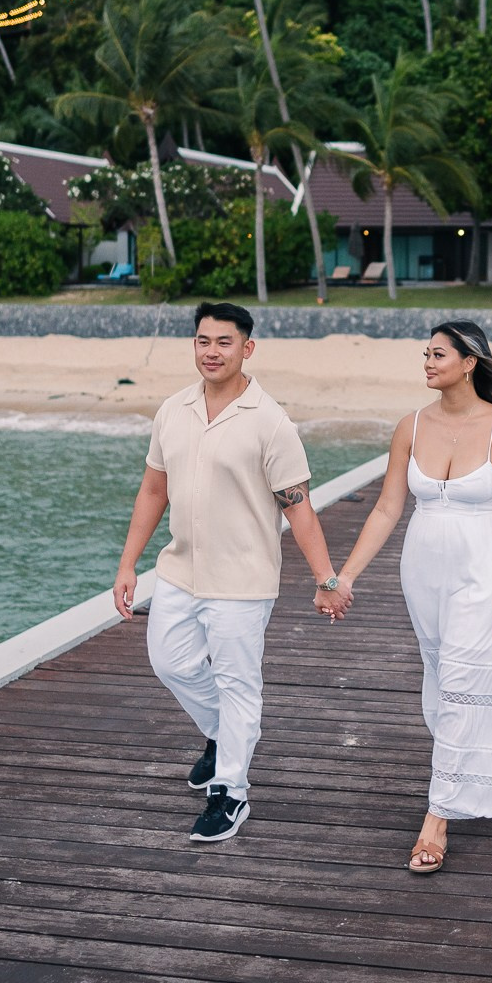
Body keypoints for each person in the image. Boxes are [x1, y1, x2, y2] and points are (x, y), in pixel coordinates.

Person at [112, 301, 349, 843]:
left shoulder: (271, 422)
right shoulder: (173, 409)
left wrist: (326, 579)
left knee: (238, 683)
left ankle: (232, 793)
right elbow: (154, 490)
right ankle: (223, 736)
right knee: (169, 662)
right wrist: (128, 564)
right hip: (179, 570)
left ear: (248, 347)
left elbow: (298, 507)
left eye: (223, 342)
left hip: (242, 580)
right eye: (202, 341)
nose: (211, 351)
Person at [335, 319, 492, 873]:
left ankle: (437, 819)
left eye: (438, 354)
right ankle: (470, 779)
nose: (427, 363)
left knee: (460, 685)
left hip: (484, 576)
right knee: (442, 685)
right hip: (423, 575)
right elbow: (386, 508)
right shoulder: (410, 426)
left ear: (469, 362)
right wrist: (346, 576)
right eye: (425, 354)